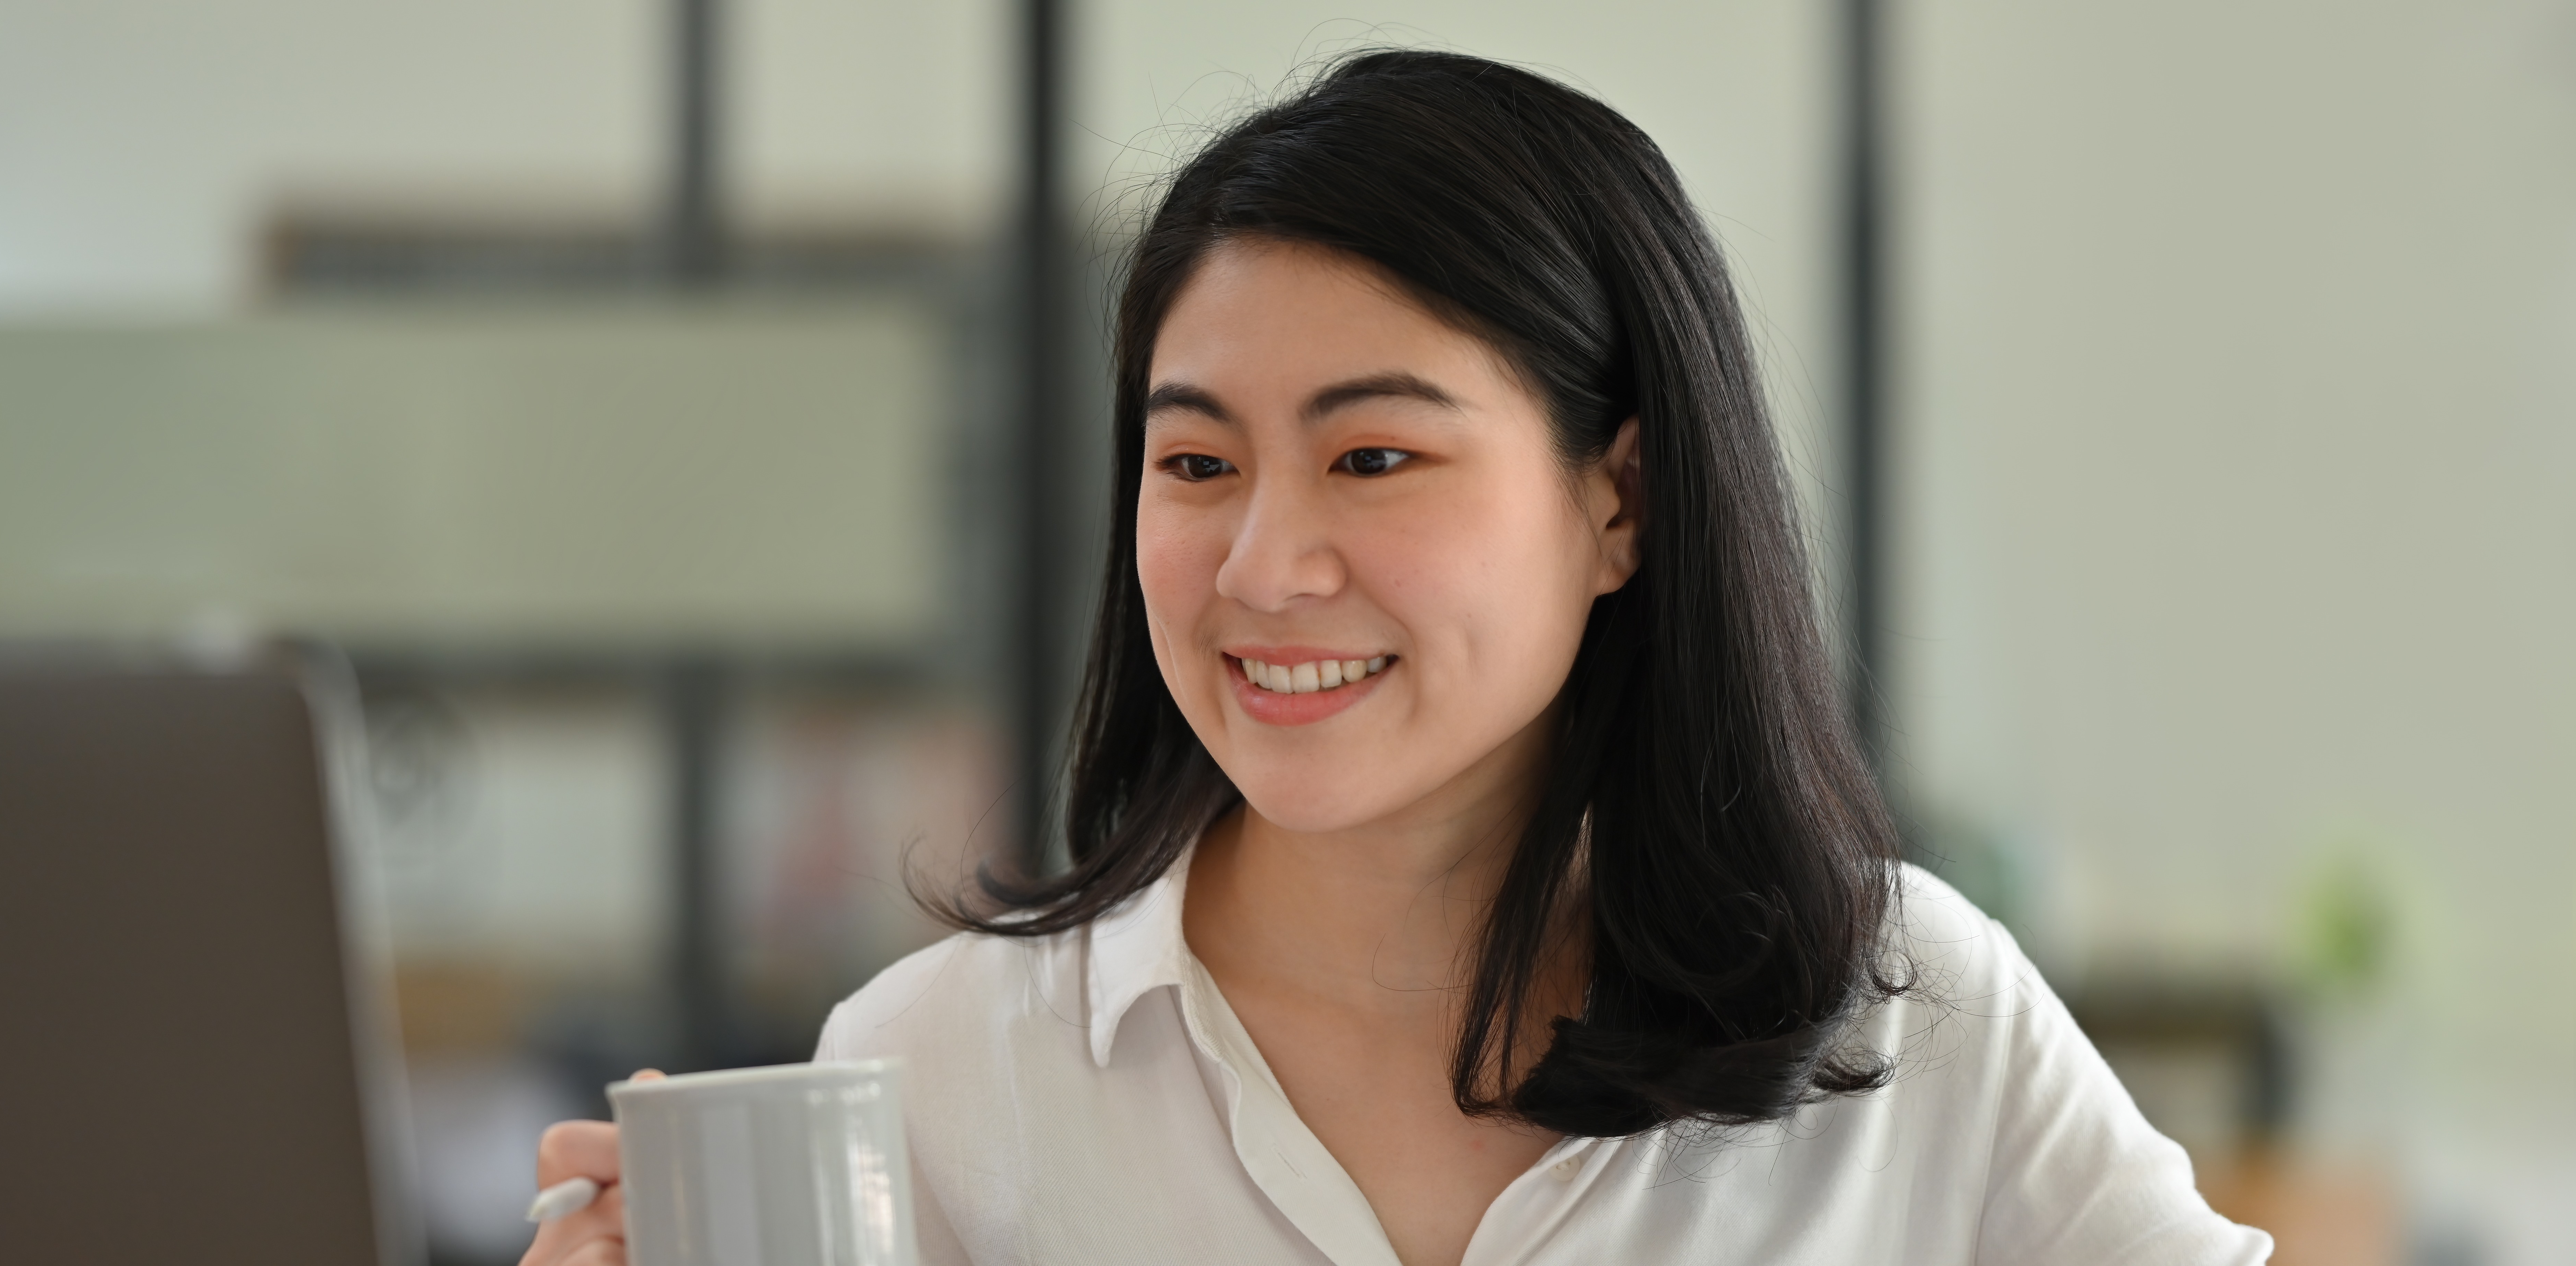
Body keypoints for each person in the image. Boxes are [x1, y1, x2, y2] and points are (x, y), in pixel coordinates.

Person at [522, 50, 2269, 1266]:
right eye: (1195, 462)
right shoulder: (942, 1076)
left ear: (1622, 503)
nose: (1264, 565)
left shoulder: (1902, 1017)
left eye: (1374, 457)